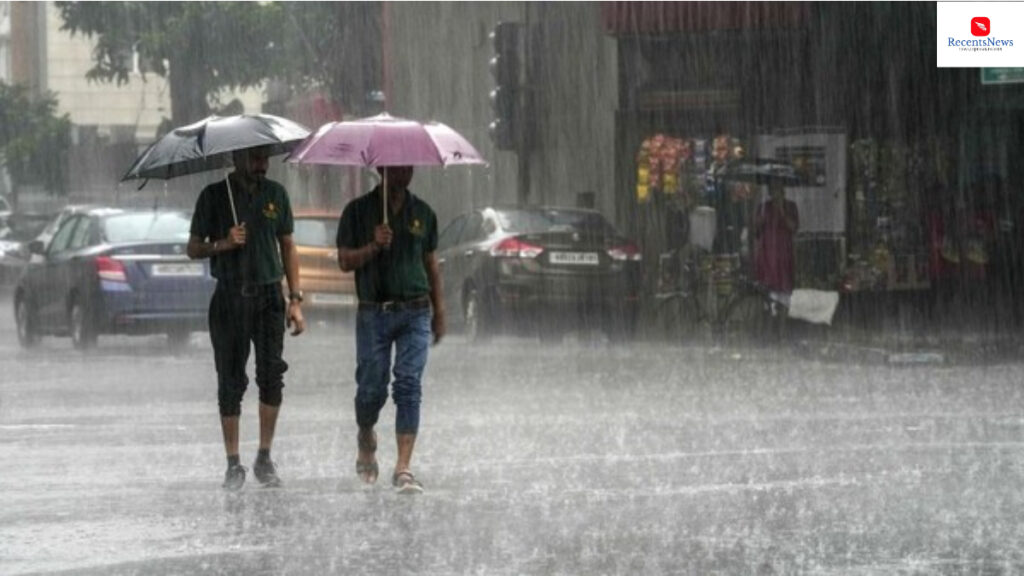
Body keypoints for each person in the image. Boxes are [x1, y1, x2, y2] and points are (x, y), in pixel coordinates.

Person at [187, 147, 306, 491]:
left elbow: (288, 246)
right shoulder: (212, 196)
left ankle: (264, 457)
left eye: (264, 158)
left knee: (271, 376)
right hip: (229, 298)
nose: (262, 165)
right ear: (236, 158)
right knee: (230, 381)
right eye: (255, 159)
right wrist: (222, 244)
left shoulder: (276, 194)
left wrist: (295, 299)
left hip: (269, 297)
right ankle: (233, 463)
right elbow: (193, 247)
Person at [336, 165, 445, 495]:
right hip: (374, 312)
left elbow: (431, 264)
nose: (405, 173)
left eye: (410, 166)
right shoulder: (357, 211)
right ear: (381, 169)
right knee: (372, 387)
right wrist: (372, 246)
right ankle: (366, 433)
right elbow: (343, 260)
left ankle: (403, 468)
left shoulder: (423, 213)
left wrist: (439, 310)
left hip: (415, 311)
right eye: (397, 167)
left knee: (409, 383)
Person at [753, 180, 799, 294]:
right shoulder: (764, 207)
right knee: (766, 283)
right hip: (767, 250)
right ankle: (767, 306)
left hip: (783, 250)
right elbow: (756, 228)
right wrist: (759, 220)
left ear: (783, 191)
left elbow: (793, 227)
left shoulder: (791, 206)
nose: (776, 193)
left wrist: (782, 211)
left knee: (784, 282)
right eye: (773, 190)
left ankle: (782, 305)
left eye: (778, 190)